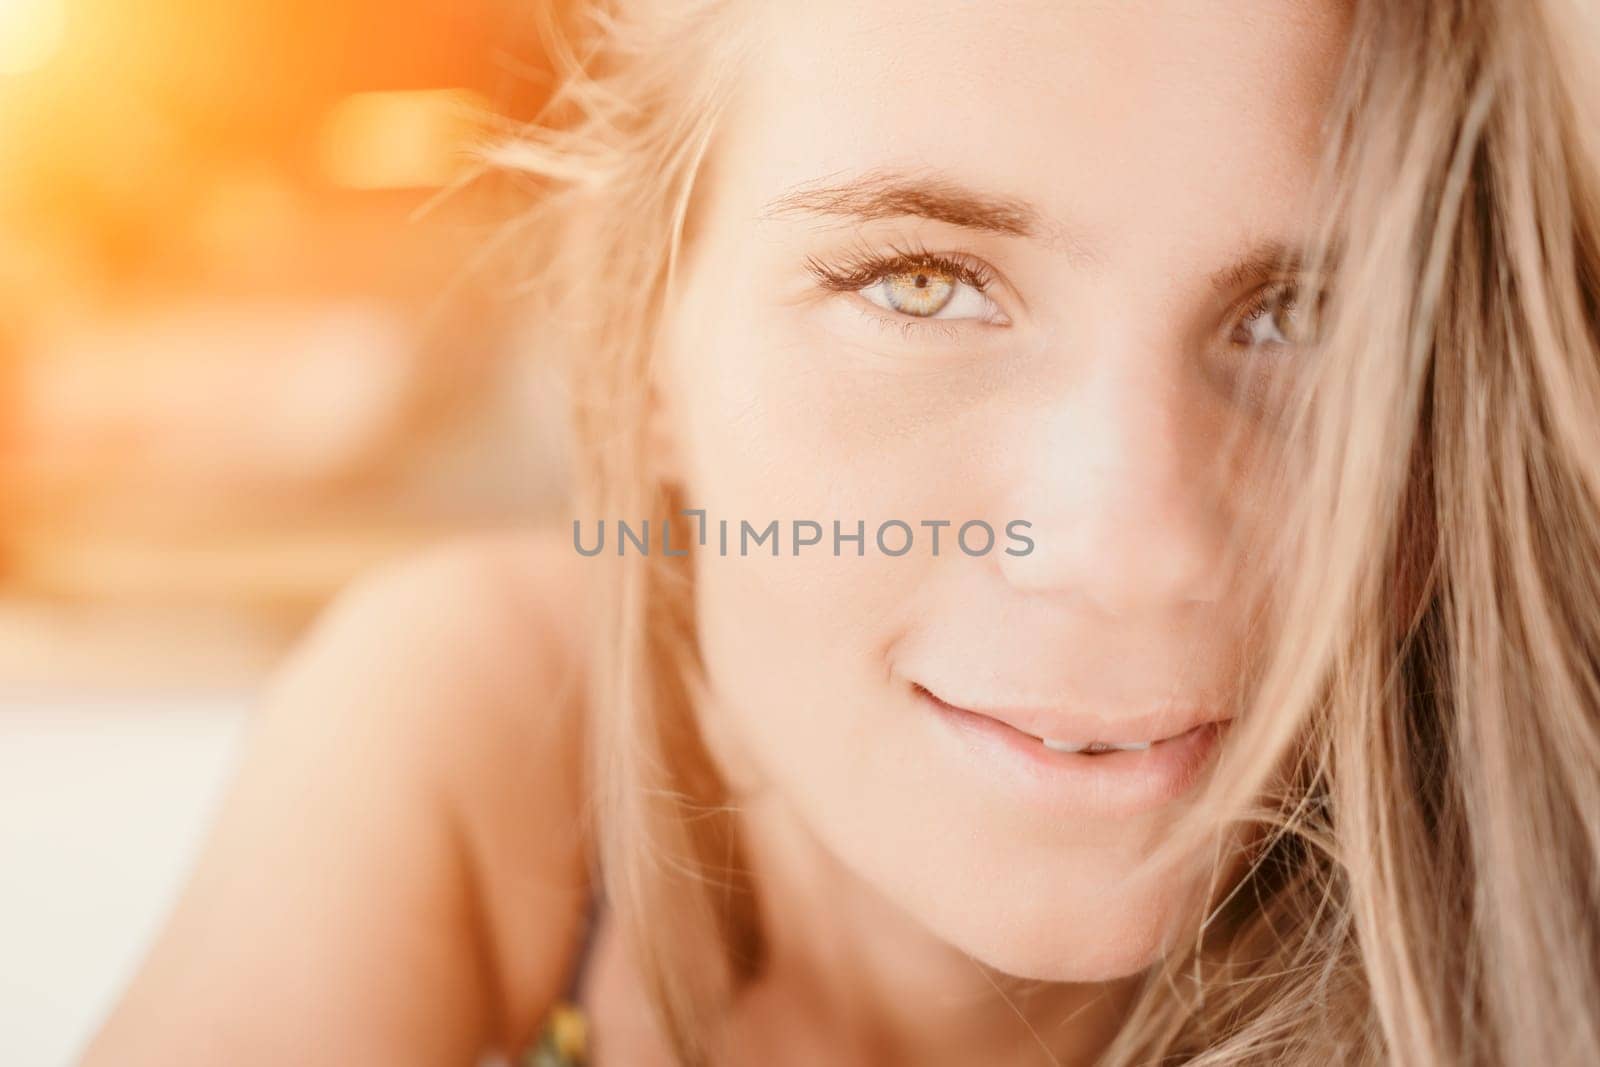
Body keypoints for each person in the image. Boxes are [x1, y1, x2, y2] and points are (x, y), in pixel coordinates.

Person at [81, 1, 1600, 1064]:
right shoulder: (493, 733)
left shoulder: (1516, 895)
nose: (1135, 548)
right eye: (921, 284)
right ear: (640, 348)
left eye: (1308, 314)